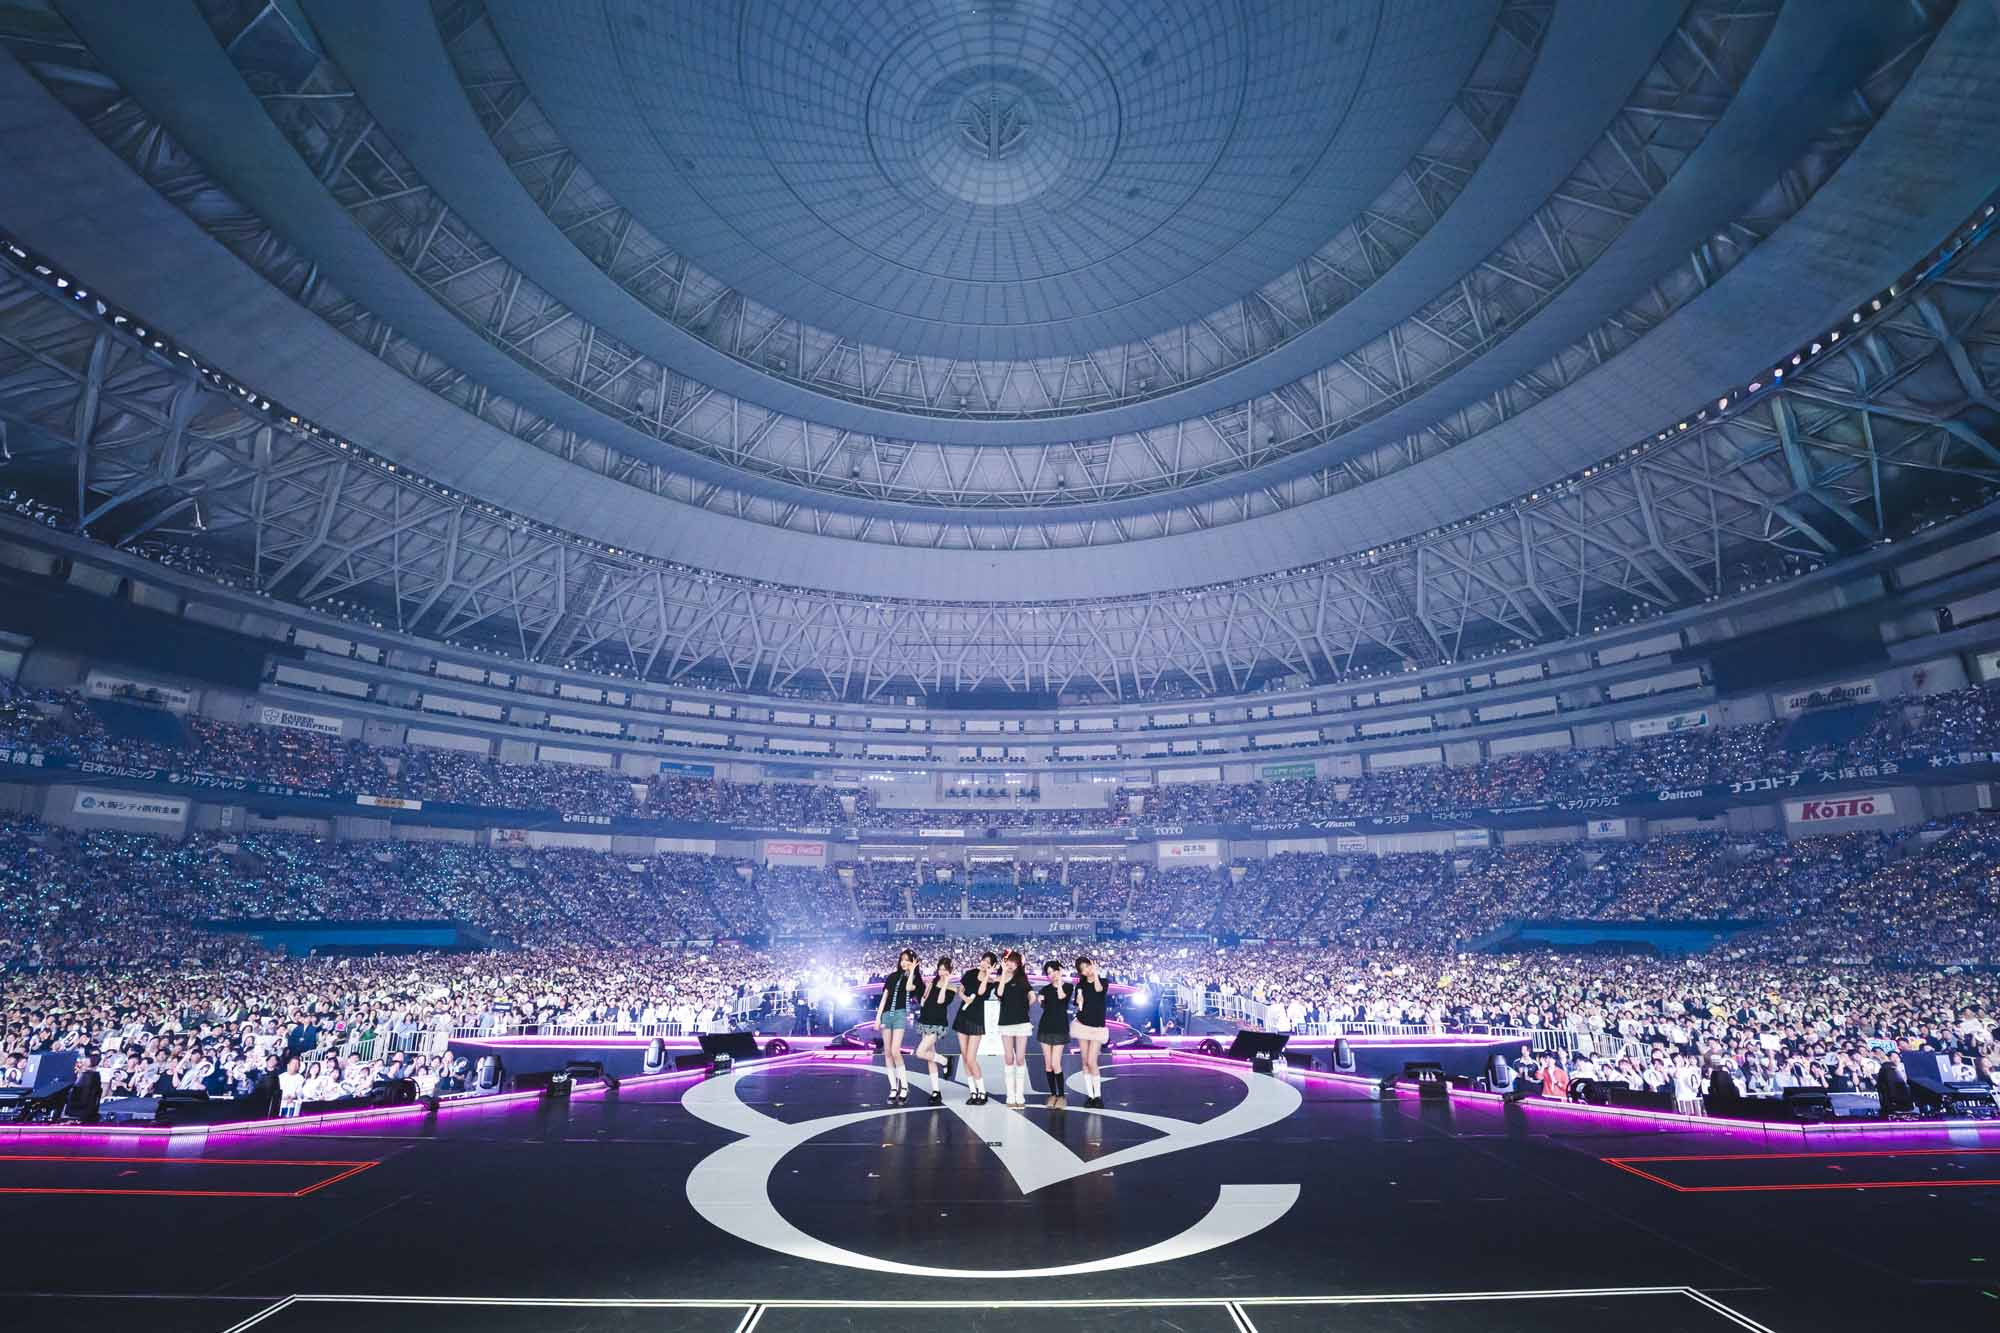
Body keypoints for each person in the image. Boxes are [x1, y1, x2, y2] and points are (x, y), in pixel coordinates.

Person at [875, 948, 920, 1104]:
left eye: (907, 960)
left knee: (895, 1050)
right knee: (887, 1052)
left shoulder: (915, 979)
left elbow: (908, 988)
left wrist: (912, 971)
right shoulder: (892, 977)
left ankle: (904, 1086)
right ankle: (893, 1088)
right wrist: (878, 1018)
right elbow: (884, 997)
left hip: (900, 1014)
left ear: (913, 962)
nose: (903, 962)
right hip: (886, 1015)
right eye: (902, 959)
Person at [952, 952, 996, 1105]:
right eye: (983, 960)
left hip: (977, 1020)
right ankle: (973, 1091)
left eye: (988, 962)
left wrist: (987, 975)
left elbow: (981, 992)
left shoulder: (990, 981)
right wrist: (964, 998)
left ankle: (982, 1092)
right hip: (962, 1016)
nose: (984, 963)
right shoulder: (970, 973)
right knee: (965, 1057)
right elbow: (960, 990)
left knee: (971, 1058)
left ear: (992, 966)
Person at [913, 955, 956, 1106]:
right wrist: (926, 991)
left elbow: (940, 1001)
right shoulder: (931, 983)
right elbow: (923, 1001)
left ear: (950, 971)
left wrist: (945, 983)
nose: (942, 972)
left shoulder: (951, 987)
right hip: (925, 1021)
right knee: (930, 1057)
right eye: (940, 969)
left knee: (920, 1052)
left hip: (937, 1023)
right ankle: (936, 1091)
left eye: (945, 970)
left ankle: (945, 1060)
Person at [994, 950, 1033, 1108]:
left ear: (1018, 965)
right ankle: (1010, 1095)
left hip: (1022, 1022)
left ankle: (1019, 1094)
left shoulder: (1022, 979)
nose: (1011, 964)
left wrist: (1026, 1005)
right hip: (1006, 1022)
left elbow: (1031, 995)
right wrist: (1004, 974)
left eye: (1014, 962)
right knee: (1009, 1057)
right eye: (1008, 961)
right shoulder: (1000, 978)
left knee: (1020, 1058)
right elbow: (999, 994)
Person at [1072, 955, 1110, 1109]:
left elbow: (1099, 990)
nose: (1086, 970)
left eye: (1087, 966)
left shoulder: (1103, 982)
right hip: (1082, 1025)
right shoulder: (1080, 986)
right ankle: (1090, 1096)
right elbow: (1077, 1004)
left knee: (1092, 1061)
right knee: (1085, 1061)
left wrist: (1095, 974)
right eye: (1082, 969)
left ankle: (1098, 1096)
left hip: (1097, 1028)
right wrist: (1079, 999)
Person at [1036, 960, 1072, 1108]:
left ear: (1059, 970)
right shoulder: (1044, 990)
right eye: (1048, 973)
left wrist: (1059, 981)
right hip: (1045, 1027)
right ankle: (1052, 1094)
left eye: (1053, 971)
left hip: (1060, 1028)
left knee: (1056, 1064)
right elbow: (1044, 1006)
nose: (1051, 975)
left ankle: (1061, 1096)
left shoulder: (1068, 986)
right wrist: (1040, 1000)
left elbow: (1062, 997)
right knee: (1048, 1065)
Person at [67, 1053, 102, 1125]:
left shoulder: (89, 1075)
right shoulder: (92, 1075)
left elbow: (78, 1090)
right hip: (85, 1107)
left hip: (82, 1108)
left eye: (87, 1059)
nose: (84, 1061)